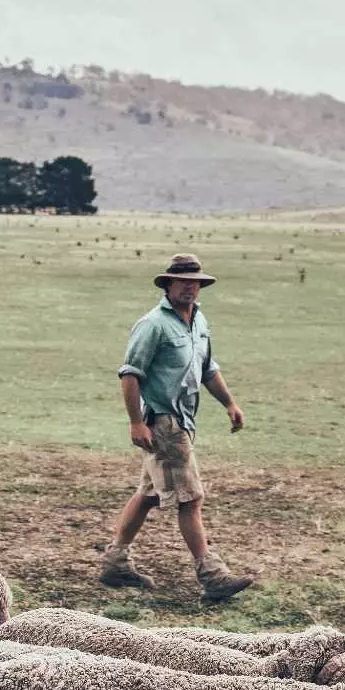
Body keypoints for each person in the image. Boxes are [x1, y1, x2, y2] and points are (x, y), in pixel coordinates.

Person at [98, 253, 256, 602]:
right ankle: (212, 575)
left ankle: (114, 562)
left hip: (184, 421)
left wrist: (229, 403)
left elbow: (208, 370)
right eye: (183, 281)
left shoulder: (198, 321)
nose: (190, 287)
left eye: (195, 282)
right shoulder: (153, 324)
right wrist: (136, 422)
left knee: (149, 494)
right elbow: (129, 375)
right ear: (168, 284)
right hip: (163, 423)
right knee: (191, 499)